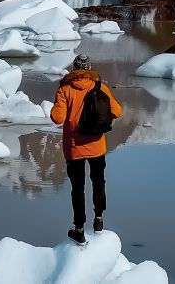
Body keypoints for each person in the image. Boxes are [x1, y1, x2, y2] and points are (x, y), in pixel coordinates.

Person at [49, 54, 123, 244]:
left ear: (74, 69)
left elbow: (57, 118)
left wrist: (56, 106)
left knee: (78, 188)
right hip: (97, 145)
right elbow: (117, 111)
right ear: (89, 69)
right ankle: (99, 220)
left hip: (74, 148)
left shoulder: (65, 89)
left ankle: (79, 229)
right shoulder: (100, 87)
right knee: (99, 182)